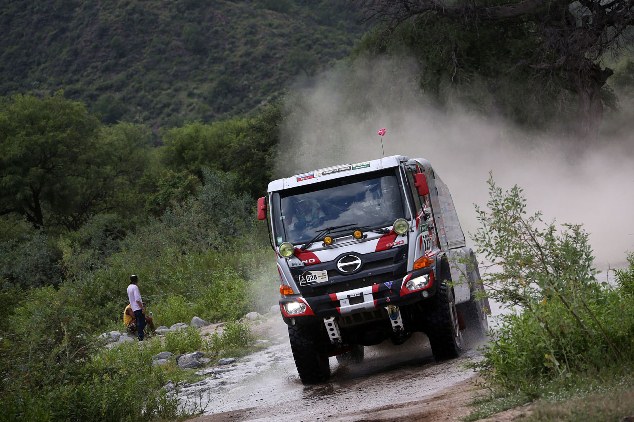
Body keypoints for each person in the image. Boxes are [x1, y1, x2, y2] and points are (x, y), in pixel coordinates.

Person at [127, 274, 146, 341]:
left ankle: (140, 336)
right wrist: (142, 307)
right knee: (141, 322)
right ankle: (141, 337)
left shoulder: (129, 287)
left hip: (133, 307)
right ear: (136, 280)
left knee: (138, 322)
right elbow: (137, 299)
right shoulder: (135, 287)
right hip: (138, 307)